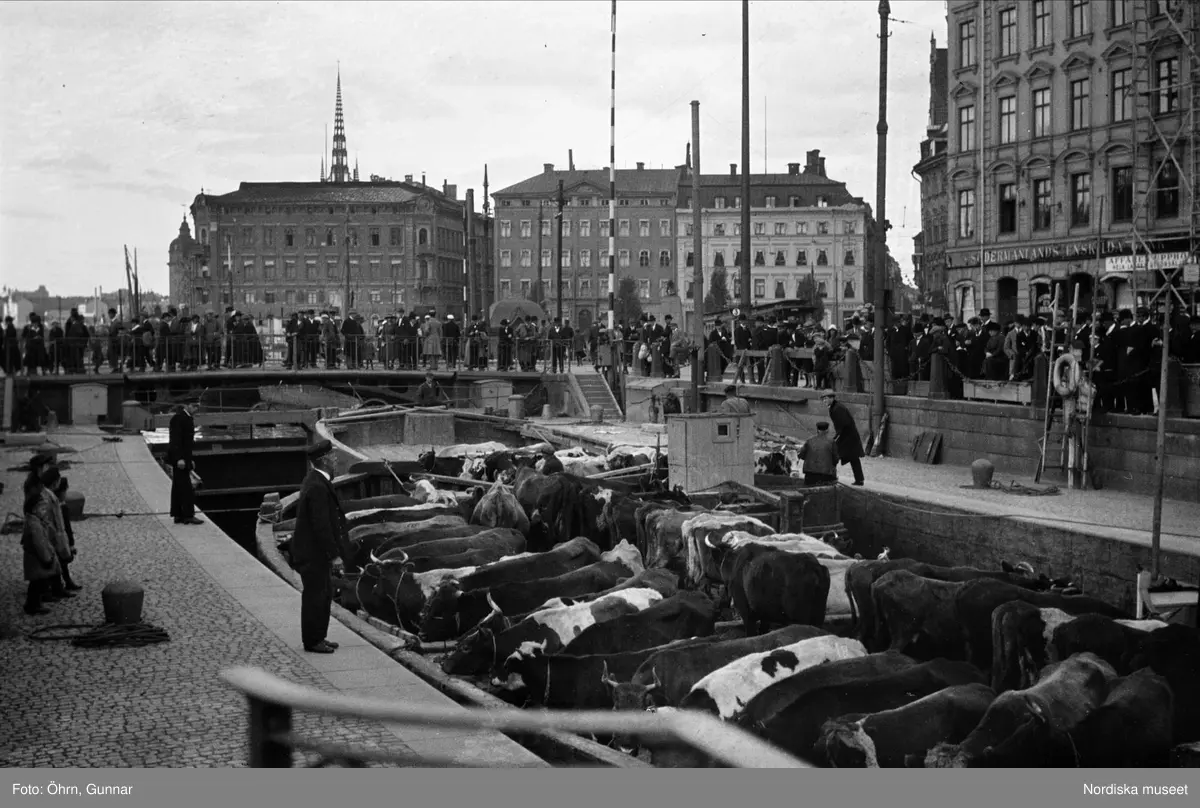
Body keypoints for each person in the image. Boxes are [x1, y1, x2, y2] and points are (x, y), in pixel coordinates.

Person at [290, 439, 352, 654]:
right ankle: (313, 640)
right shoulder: (317, 486)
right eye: (333, 456)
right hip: (313, 553)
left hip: (315, 552)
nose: (336, 459)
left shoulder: (316, 480)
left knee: (323, 595)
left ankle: (319, 637)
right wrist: (334, 555)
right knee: (315, 597)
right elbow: (321, 525)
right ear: (324, 460)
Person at [21, 471, 62, 615]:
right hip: (37, 555)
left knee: (37, 581)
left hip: (34, 554)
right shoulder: (35, 523)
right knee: (37, 582)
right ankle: (33, 605)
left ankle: (34, 603)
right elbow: (40, 542)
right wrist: (47, 557)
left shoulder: (35, 520)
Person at [820, 391, 865, 486]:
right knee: (853, 458)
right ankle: (859, 480)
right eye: (823, 399)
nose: (824, 401)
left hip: (847, 437)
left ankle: (830, 477)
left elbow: (843, 424)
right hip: (848, 436)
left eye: (826, 398)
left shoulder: (837, 408)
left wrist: (836, 437)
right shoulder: (835, 407)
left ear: (832, 398)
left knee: (833, 455)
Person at [168, 404, 203, 525]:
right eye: (194, 406)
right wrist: (179, 459)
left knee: (178, 486)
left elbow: (186, 443)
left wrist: (189, 459)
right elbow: (175, 440)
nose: (196, 409)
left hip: (184, 458)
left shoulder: (186, 418)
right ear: (188, 406)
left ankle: (177, 514)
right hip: (180, 459)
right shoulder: (179, 418)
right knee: (186, 488)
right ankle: (188, 515)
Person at [797, 421, 839, 486]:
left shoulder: (809, 440)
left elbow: (801, 455)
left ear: (817, 430)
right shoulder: (831, 442)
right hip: (826, 474)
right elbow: (836, 459)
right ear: (827, 430)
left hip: (809, 473)